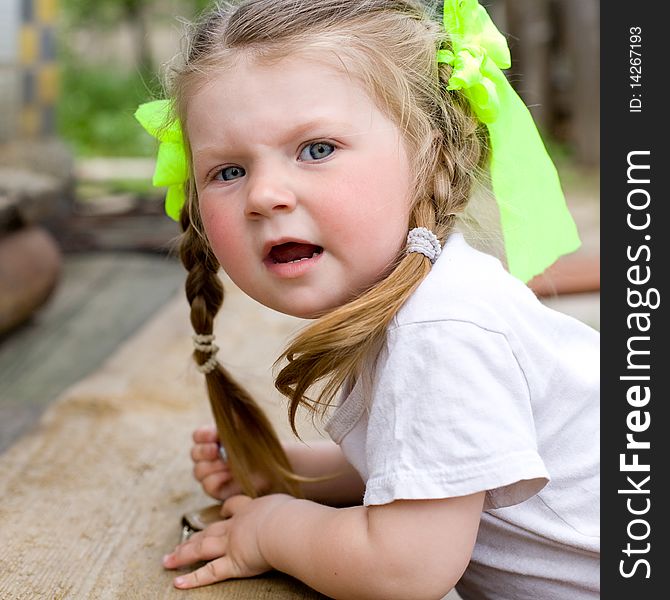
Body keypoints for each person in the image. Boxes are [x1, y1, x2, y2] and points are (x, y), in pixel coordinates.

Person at [135, 0, 599, 598]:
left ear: (427, 158)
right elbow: (429, 472)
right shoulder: (421, 294)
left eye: (317, 149)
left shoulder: (442, 328)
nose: (266, 194)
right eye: (228, 171)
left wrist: (273, 530)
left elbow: (404, 568)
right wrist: (290, 475)